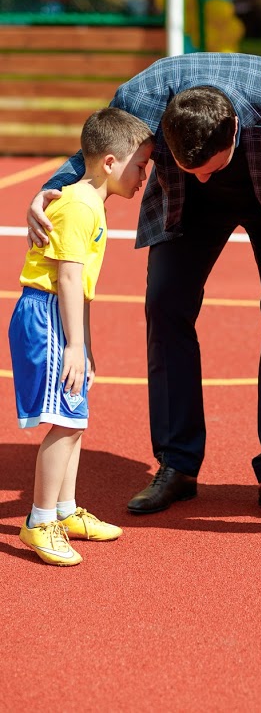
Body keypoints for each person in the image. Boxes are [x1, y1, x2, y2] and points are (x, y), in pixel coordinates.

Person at [27, 53, 261, 526]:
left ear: (235, 132)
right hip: (186, 209)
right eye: (185, 164)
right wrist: (50, 188)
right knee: (165, 307)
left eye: (209, 169)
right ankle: (176, 464)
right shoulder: (142, 99)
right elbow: (95, 155)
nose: (203, 175)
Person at [10, 108, 154, 566]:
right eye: (140, 164)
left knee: (76, 415)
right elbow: (69, 279)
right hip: (47, 314)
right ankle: (38, 522)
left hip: (61, 316)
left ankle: (65, 511)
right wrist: (73, 343)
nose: (144, 175)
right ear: (110, 162)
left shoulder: (91, 204)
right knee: (66, 419)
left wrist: (84, 345)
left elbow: (82, 288)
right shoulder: (78, 205)